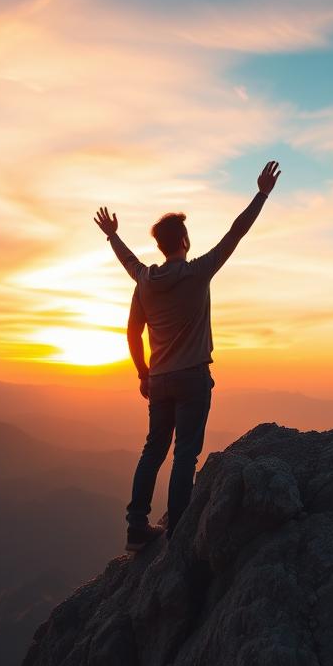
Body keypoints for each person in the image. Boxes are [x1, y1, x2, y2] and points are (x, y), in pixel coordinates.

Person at [94, 161, 281, 552]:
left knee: (153, 450)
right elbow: (236, 233)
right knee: (185, 456)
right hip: (192, 377)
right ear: (184, 241)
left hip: (159, 380)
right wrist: (260, 194)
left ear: (162, 246)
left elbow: (132, 326)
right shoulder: (199, 272)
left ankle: (136, 527)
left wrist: (143, 374)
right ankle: (178, 530)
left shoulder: (144, 280)